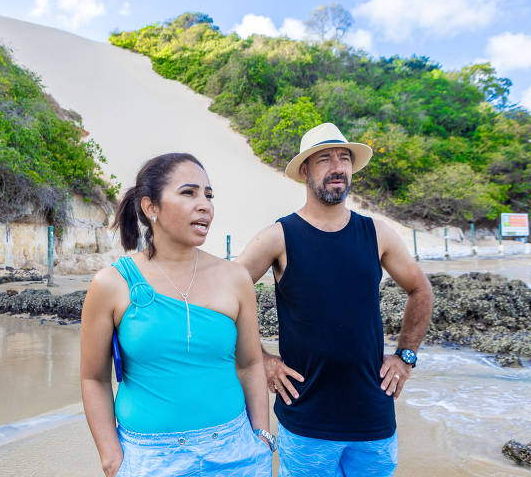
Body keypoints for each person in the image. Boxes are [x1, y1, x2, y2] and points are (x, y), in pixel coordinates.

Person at [237, 123, 433, 477]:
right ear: (305, 171)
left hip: (373, 416)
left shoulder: (376, 233)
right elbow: (227, 295)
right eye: (324, 159)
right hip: (306, 417)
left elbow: (420, 289)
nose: (338, 166)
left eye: (344, 158)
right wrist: (261, 359)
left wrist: (406, 356)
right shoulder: (279, 236)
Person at [80, 153, 273, 477]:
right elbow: (93, 378)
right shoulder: (111, 284)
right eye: (189, 192)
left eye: (208, 195)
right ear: (150, 207)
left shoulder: (235, 278)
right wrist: (111, 456)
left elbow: (251, 364)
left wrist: (262, 439)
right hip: (149, 459)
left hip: (236, 453)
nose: (205, 205)